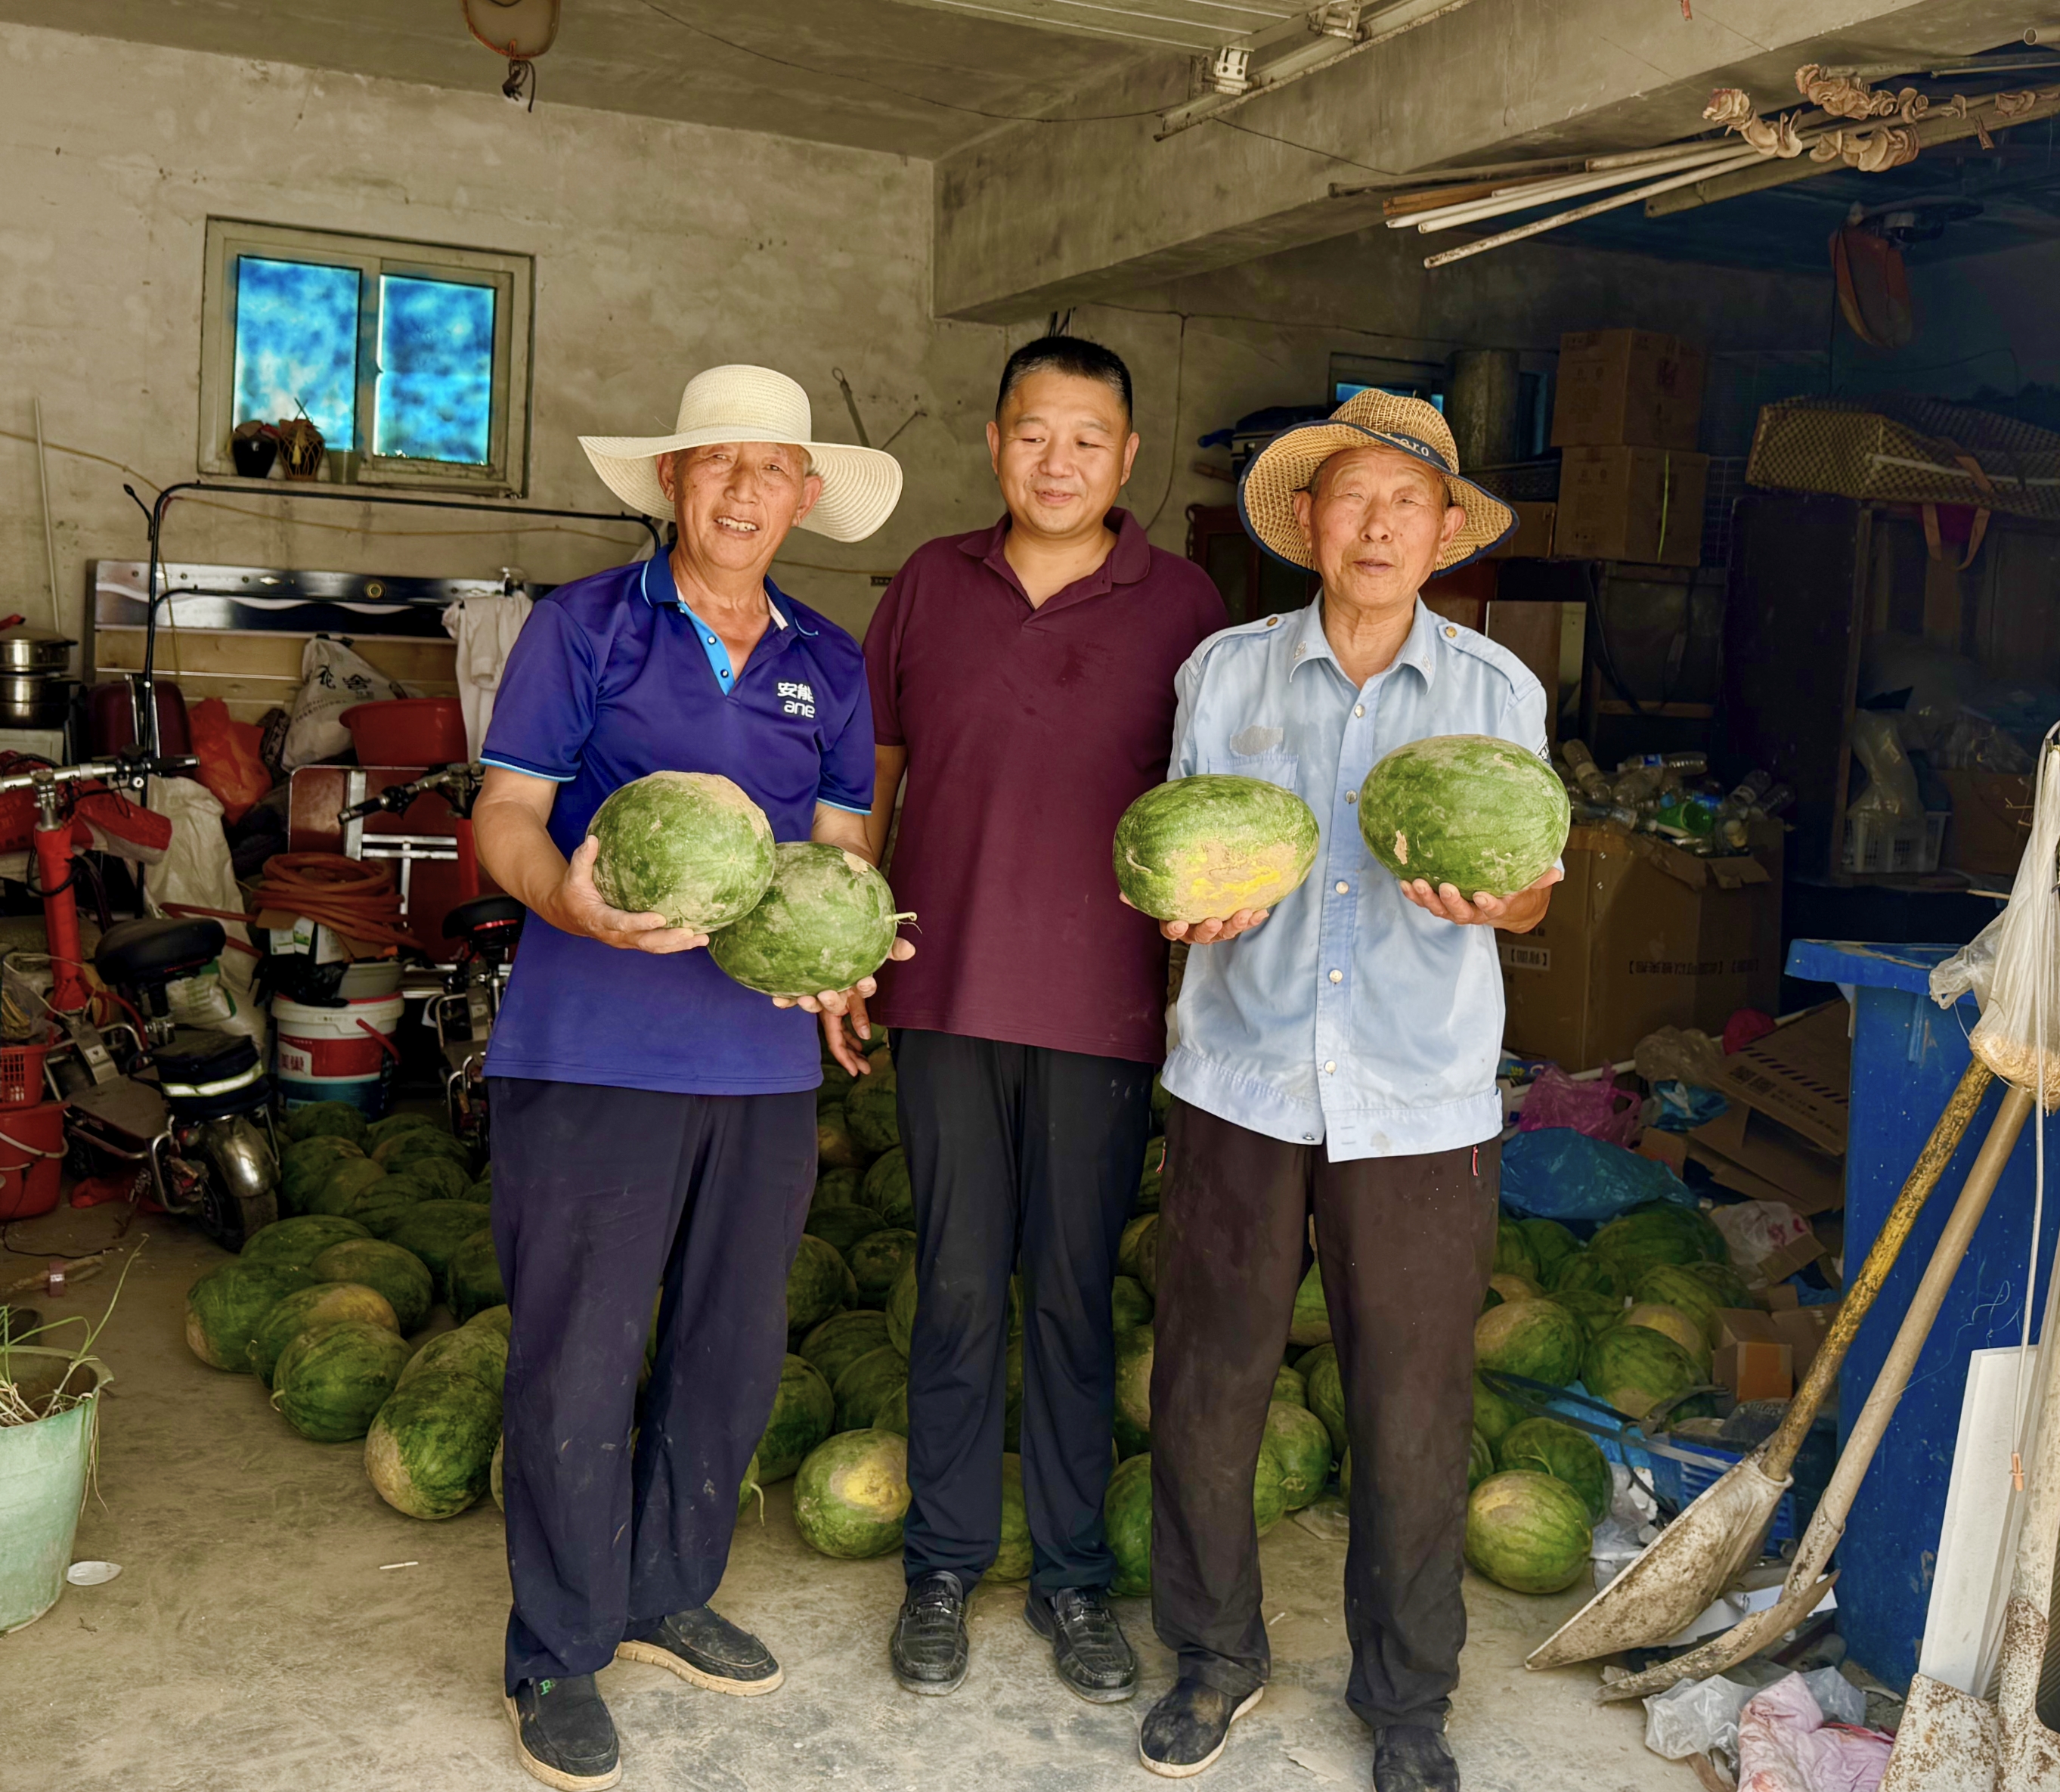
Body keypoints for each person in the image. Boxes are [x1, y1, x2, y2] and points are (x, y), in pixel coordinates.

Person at [472, 364, 911, 1791]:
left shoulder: (827, 659)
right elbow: (505, 813)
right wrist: (568, 898)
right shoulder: (584, 624)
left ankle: (664, 1591)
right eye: (716, 461)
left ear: (803, 496)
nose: (741, 489)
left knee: (728, 1350)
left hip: (759, 1065)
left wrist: (843, 958)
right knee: (578, 1355)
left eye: (770, 468)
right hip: (588, 1046)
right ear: (671, 479)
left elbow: (841, 853)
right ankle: (557, 1645)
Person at [1136, 390, 1560, 1788]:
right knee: (1208, 1382)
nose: (1376, 527)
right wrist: (1184, 911)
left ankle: (1406, 1695)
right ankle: (1213, 1654)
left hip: (1418, 1096)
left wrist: (1504, 901)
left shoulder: (1497, 692)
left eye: (1405, 503)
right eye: (1352, 498)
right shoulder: (1224, 673)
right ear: (1308, 519)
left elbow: (1534, 887)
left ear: (1442, 531)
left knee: (1414, 1404)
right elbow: (1183, 846)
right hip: (1240, 1078)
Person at [847, 336, 1225, 1702]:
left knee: (1071, 1296)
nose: (1056, 463)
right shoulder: (926, 584)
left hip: (1100, 1006)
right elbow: (873, 775)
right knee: (955, 1286)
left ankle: (1072, 1576)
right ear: (994, 439)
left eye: (1086, 439)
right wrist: (846, 940)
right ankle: (941, 1564)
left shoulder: (1184, 606)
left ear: (1128, 457)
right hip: (941, 990)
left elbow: (1212, 805)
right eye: (1031, 434)